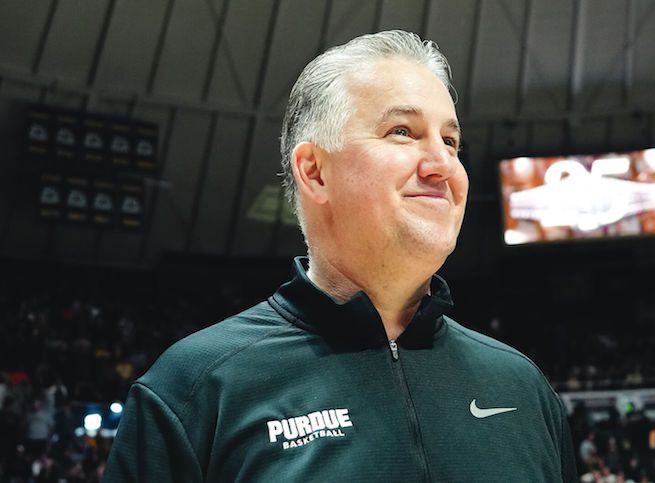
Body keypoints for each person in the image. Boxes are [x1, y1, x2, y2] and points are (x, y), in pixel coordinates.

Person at [102, 30, 577, 482]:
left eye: (450, 141)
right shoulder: (193, 391)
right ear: (315, 172)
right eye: (402, 132)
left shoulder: (523, 387)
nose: (443, 166)